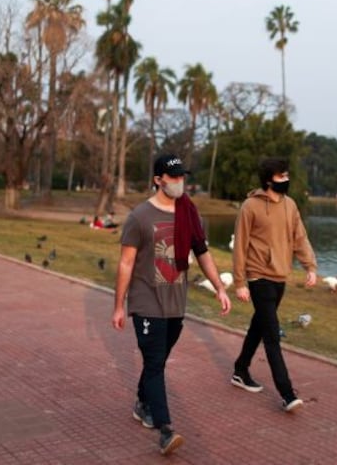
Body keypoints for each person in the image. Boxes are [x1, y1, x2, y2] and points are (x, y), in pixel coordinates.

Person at [112, 153, 231, 456]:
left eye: (182, 177)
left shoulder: (189, 214)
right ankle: (165, 429)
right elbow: (126, 263)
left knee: (157, 362)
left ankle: (142, 402)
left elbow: (202, 253)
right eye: (173, 177)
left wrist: (219, 287)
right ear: (158, 180)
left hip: (176, 303)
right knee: (154, 364)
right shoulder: (140, 217)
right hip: (146, 301)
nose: (179, 182)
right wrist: (119, 305)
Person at [230, 156, 317, 412]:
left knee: (259, 324)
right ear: (269, 180)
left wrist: (310, 266)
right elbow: (240, 246)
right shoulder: (250, 206)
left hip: (281, 276)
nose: (286, 180)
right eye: (282, 177)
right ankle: (287, 393)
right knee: (271, 335)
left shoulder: (290, 205)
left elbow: (300, 238)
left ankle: (240, 369)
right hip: (258, 276)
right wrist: (240, 282)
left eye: (287, 176)